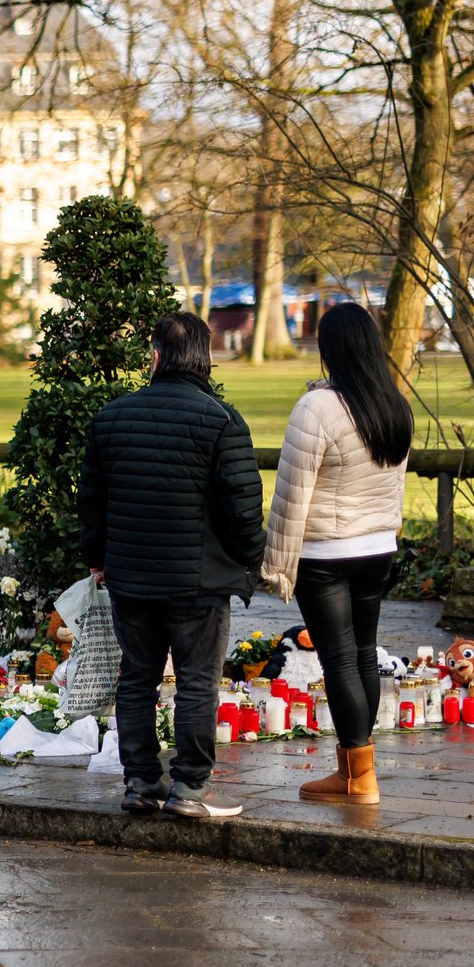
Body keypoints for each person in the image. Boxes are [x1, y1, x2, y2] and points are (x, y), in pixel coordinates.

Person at [79, 311, 266, 819]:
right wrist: (250, 561)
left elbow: (92, 501)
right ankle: (190, 788)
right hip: (198, 584)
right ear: (205, 360)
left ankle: (140, 781)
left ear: (156, 357)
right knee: (197, 681)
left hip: (131, 579)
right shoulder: (223, 421)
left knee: (137, 678)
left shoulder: (111, 418)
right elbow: (243, 509)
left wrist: (97, 558)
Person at [261, 302, 410, 805]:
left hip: (325, 552)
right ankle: (355, 767)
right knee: (363, 653)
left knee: (340, 659)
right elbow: (395, 486)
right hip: (377, 548)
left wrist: (277, 564)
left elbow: (291, 493)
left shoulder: (317, 409)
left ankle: (357, 775)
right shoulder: (394, 404)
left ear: (330, 350)